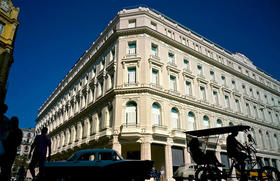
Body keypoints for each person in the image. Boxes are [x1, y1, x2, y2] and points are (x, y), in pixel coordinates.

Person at [1, 116, 23, 181]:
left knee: (5, 167)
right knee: (7, 167)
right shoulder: (18, 131)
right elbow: (19, 143)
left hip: (6, 150)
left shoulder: (7, 130)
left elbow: (3, 139)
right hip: (11, 151)